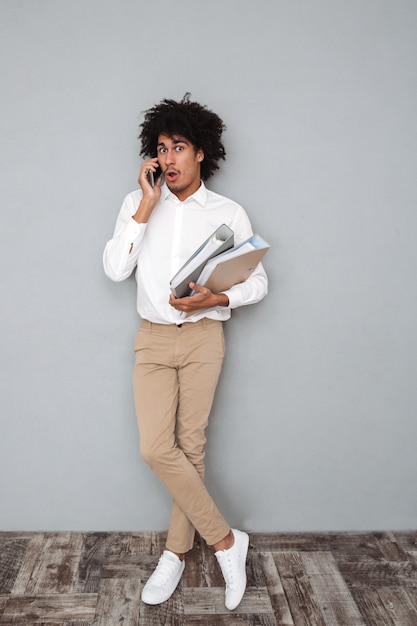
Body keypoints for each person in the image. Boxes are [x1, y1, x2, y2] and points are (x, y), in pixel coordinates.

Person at [103, 94, 268, 610]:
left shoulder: (228, 212)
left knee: (189, 446)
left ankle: (175, 553)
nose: (169, 158)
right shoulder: (136, 207)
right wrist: (146, 208)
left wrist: (218, 297)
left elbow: (259, 280)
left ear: (201, 153)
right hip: (152, 338)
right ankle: (225, 541)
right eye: (161, 148)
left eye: (179, 147)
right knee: (157, 447)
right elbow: (114, 269)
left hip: (203, 337)